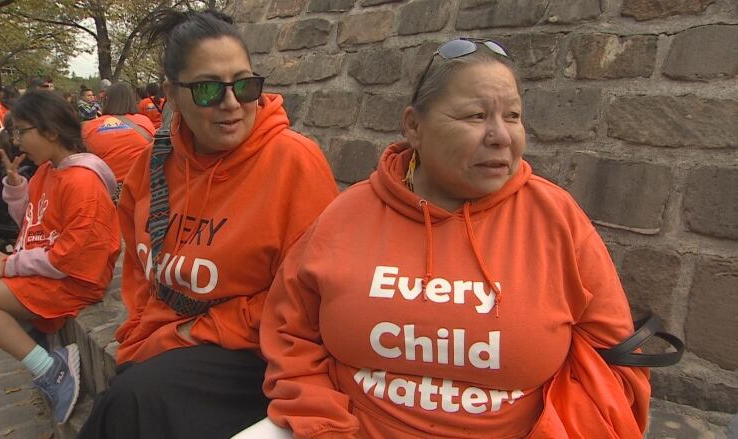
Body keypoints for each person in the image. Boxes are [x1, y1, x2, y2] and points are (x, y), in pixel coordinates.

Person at [260, 38, 651, 439]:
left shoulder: (557, 220)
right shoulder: (345, 217)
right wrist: (325, 427)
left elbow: (614, 364)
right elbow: (290, 335)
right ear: (414, 126)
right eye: (475, 116)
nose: (501, 136)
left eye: (513, 116)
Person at [76, 9, 338, 439]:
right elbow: (140, 269)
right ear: (172, 94)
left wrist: (184, 332)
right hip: (170, 343)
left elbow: (306, 300)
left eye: (245, 85)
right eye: (208, 88)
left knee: (132, 401)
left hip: (255, 349)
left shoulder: (294, 162)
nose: (231, 103)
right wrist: (145, 327)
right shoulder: (152, 164)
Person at [0, 90, 121, 425]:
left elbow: (71, 257)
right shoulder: (48, 171)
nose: (17, 141)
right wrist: (17, 187)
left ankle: (51, 370)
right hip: (48, 271)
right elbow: (32, 225)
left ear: (50, 130)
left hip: (72, 282)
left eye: (21, 131)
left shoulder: (82, 182)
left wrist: (7, 264)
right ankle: (46, 360)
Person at [83, 82, 155, 188]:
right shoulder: (145, 121)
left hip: (106, 190)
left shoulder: (90, 127)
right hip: (141, 188)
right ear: (131, 100)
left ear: (106, 101)